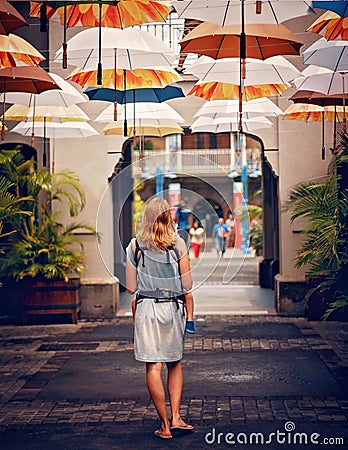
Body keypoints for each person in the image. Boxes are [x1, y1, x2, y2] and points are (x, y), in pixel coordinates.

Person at [126, 198, 195, 440]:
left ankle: (164, 425)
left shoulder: (135, 247)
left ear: (146, 218)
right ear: (169, 217)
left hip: (146, 308)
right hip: (172, 308)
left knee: (153, 366)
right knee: (174, 362)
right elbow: (187, 284)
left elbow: (130, 287)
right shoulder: (178, 244)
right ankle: (176, 417)